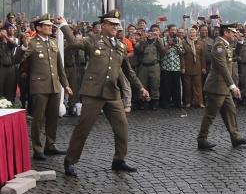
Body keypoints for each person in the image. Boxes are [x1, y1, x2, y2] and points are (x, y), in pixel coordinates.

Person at [55, 10, 150, 177]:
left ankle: (119, 160)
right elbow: (73, 42)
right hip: (93, 92)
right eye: (112, 24)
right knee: (83, 128)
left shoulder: (120, 46)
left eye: (117, 24)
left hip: (112, 93)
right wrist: (63, 25)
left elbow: (128, 71)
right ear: (103, 25)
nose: (115, 27)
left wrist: (140, 87)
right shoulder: (93, 40)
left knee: (122, 128)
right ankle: (70, 160)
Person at [14, 13, 73, 160]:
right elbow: (16, 60)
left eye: (51, 26)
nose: (50, 28)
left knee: (53, 118)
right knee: (38, 119)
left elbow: (60, 67)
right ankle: (37, 148)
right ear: (39, 28)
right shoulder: (32, 43)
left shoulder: (52, 42)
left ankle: (50, 145)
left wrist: (65, 85)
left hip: (54, 86)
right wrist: (23, 47)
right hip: (39, 86)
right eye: (47, 26)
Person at [197, 22, 246, 150]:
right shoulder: (218, 46)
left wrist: (240, 42)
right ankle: (202, 139)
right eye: (233, 32)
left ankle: (236, 137)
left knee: (231, 111)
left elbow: (234, 55)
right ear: (226, 33)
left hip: (223, 87)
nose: (234, 34)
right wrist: (233, 86)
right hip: (216, 87)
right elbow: (222, 68)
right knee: (210, 115)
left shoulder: (225, 46)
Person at [135, 24, 162, 110]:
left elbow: (162, 49)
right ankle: (142, 102)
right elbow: (139, 49)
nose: (150, 35)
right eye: (149, 34)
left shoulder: (157, 42)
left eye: (152, 34)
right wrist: (142, 39)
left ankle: (154, 102)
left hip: (154, 66)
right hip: (144, 66)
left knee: (155, 84)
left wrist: (158, 38)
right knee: (143, 85)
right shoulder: (143, 43)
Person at [160, 24, 184, 109]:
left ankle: (177, 102)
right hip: (166, 66)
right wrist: (168, 44)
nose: (173, 31)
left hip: (176, 66)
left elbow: (182, 53)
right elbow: (162, 53)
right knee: (166, 86)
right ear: (168, 30)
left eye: (175, 30)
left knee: (176, 86)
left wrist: (178, 47)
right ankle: (166, 102)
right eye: (172, 30)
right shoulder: (162, 40)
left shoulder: (179, 40)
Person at [181, 27, 206, 108]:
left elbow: (202, 56)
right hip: (187, 68)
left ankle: (199, 102)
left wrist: (203, 67)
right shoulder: (184, 43)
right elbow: (182, 56)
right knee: (187, 86)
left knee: (198, 86)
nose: (192, 34)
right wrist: (183, 67)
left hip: (197, 68)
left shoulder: (200, 43)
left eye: (193, 33)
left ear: (196, 34)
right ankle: (188, 101)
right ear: (188, 34)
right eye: (190, 33)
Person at [0, 24, 18, 103]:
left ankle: (10, 104)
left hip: (11, 68)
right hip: (1, 68)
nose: (3, 35)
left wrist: (6, 37)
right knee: (1, 87)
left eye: (5, 33)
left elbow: (14, 44)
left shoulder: (8, 43)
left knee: (10, 87)